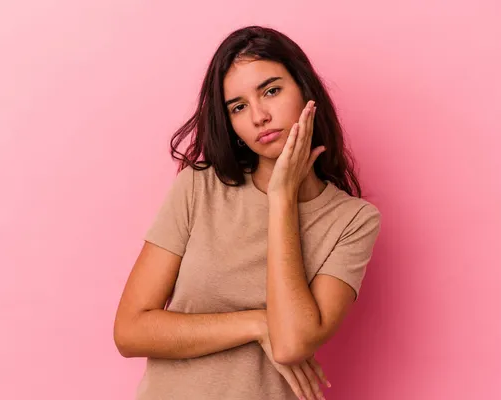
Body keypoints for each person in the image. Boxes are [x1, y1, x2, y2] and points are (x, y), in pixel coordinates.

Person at [113, 25, 382, 400]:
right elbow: (130, 331)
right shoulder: (199, 188)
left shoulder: (353, 221)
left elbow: (291, 345)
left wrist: (282, 200)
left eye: (271, 91)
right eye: (238, 107)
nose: (259, 116)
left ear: (306, 90)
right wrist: (256, 323)